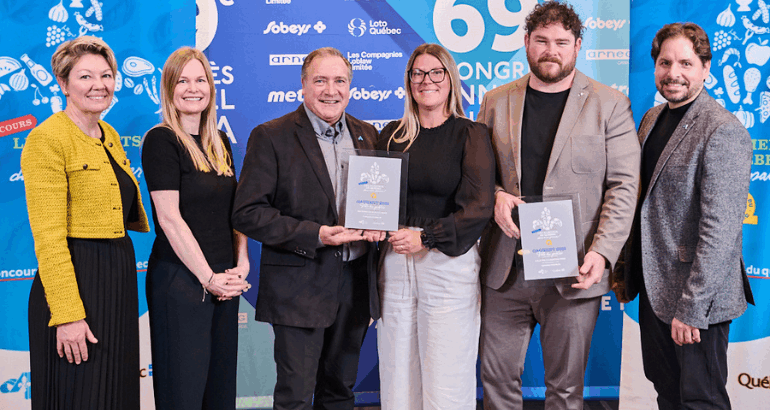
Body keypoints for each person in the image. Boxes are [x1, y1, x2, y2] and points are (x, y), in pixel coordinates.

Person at [476, 2, 640, 409]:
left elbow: (623, 186)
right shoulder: (496, 101)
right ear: (527, 42)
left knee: (566, 391)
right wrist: (495, 194)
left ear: (578, 46)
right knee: (496, 384)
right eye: (542, 40)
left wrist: (603, 252)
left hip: (574, 272)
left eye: (562, 42)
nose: (552, 50)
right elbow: (476, 174)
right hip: (505, 271)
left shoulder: (610, 104)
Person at [613, 22, 754, 409]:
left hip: (697, 300)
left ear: (706, 68)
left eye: (686, 63)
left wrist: (691, 309)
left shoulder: (722, 129)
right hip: (656, 290)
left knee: (701, 401)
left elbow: (720, 232)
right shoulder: (651, 119)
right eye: (664, 62)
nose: (673, 73)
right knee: (668, 394)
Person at [232, 47, 379, 410]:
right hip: (299, 288)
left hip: (355, 284)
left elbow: (380, 203)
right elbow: (247, 212)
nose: (331, 90)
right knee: (295, 396)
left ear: (351, 86)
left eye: (340, 81)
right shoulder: (271, 136)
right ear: (303, 85)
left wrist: (382, 227)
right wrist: (315, 234)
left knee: (341, 392)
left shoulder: (368, 135)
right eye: (321, 81)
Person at [21, 36, 150, 409]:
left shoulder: (109, 136)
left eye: (107, 75)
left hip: (117, 279)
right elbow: (48, 238)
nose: (100, 85)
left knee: (115, 394)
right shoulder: (45, 139)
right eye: (85, 76)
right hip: (76, 283)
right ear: (63, 84)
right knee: (80, 395)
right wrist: (67, 315)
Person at [367, 43, 494, 410]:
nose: (427, 81)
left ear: (450, 80)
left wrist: (426, 237)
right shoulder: (391, 135)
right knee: (397, 377)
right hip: (394, 264)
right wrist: (372, 224)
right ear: (408, 82)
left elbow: (479, 207)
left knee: (446, 382)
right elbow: (376, 197)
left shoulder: (471, 134)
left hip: (447, 264)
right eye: (418, 73)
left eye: (436, 72)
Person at [141, 46, 250, 410]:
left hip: (222, 282)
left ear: (211, 87)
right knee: (183, 393)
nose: (193, 88)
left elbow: (236, 212)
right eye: (183, 80)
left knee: (220, 394)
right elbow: (170, 218)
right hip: (181, 282)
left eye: (200, 79)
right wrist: (207, 277)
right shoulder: (161, 140)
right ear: (169, 88)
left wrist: (241, 264)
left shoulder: (220, 143)